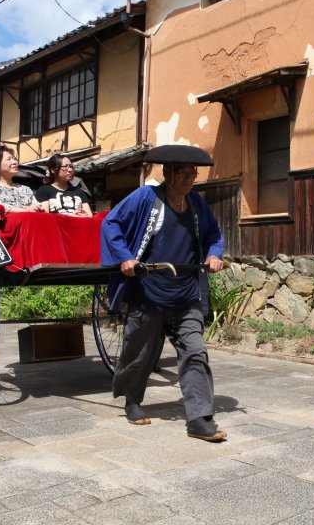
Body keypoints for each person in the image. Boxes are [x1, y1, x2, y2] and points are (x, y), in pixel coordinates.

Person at [101, 144, 226, 442]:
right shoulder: (146, 196)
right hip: (148, 291)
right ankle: (132, 399)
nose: (189, 179)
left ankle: (198, 418)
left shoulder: (196, 204)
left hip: (186, 294)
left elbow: (214, 235)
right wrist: (125, 257)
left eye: (192, 174)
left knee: (195, 351)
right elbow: (111, 222)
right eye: (182, 173)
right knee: (139, 353)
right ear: (167, 173)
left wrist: (214, 255)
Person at [0, 146, 43, 213]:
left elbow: (37, 205)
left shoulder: (26, 189)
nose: (14, 162)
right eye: (8, 159)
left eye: (14, 159)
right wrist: (24, 210)